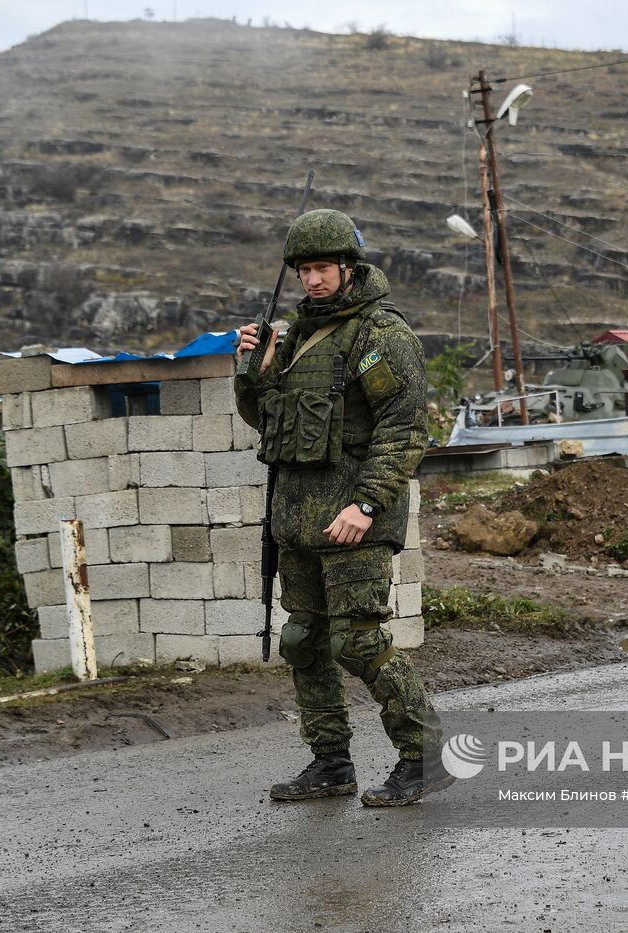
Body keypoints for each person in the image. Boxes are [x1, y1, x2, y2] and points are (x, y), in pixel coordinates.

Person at [233, 207, 452, 806]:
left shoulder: (380, 337)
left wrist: (365, 503)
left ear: (349, 267)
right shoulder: (297, 336)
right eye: (303, 270)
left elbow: (403, 431)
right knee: (304, 640)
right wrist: (254, 371)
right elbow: (268, 422)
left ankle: (426, 754)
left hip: (353, 517)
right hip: (298, 516)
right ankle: (330, 762)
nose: (312, 279)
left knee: (358, 642)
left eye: (322, 267)